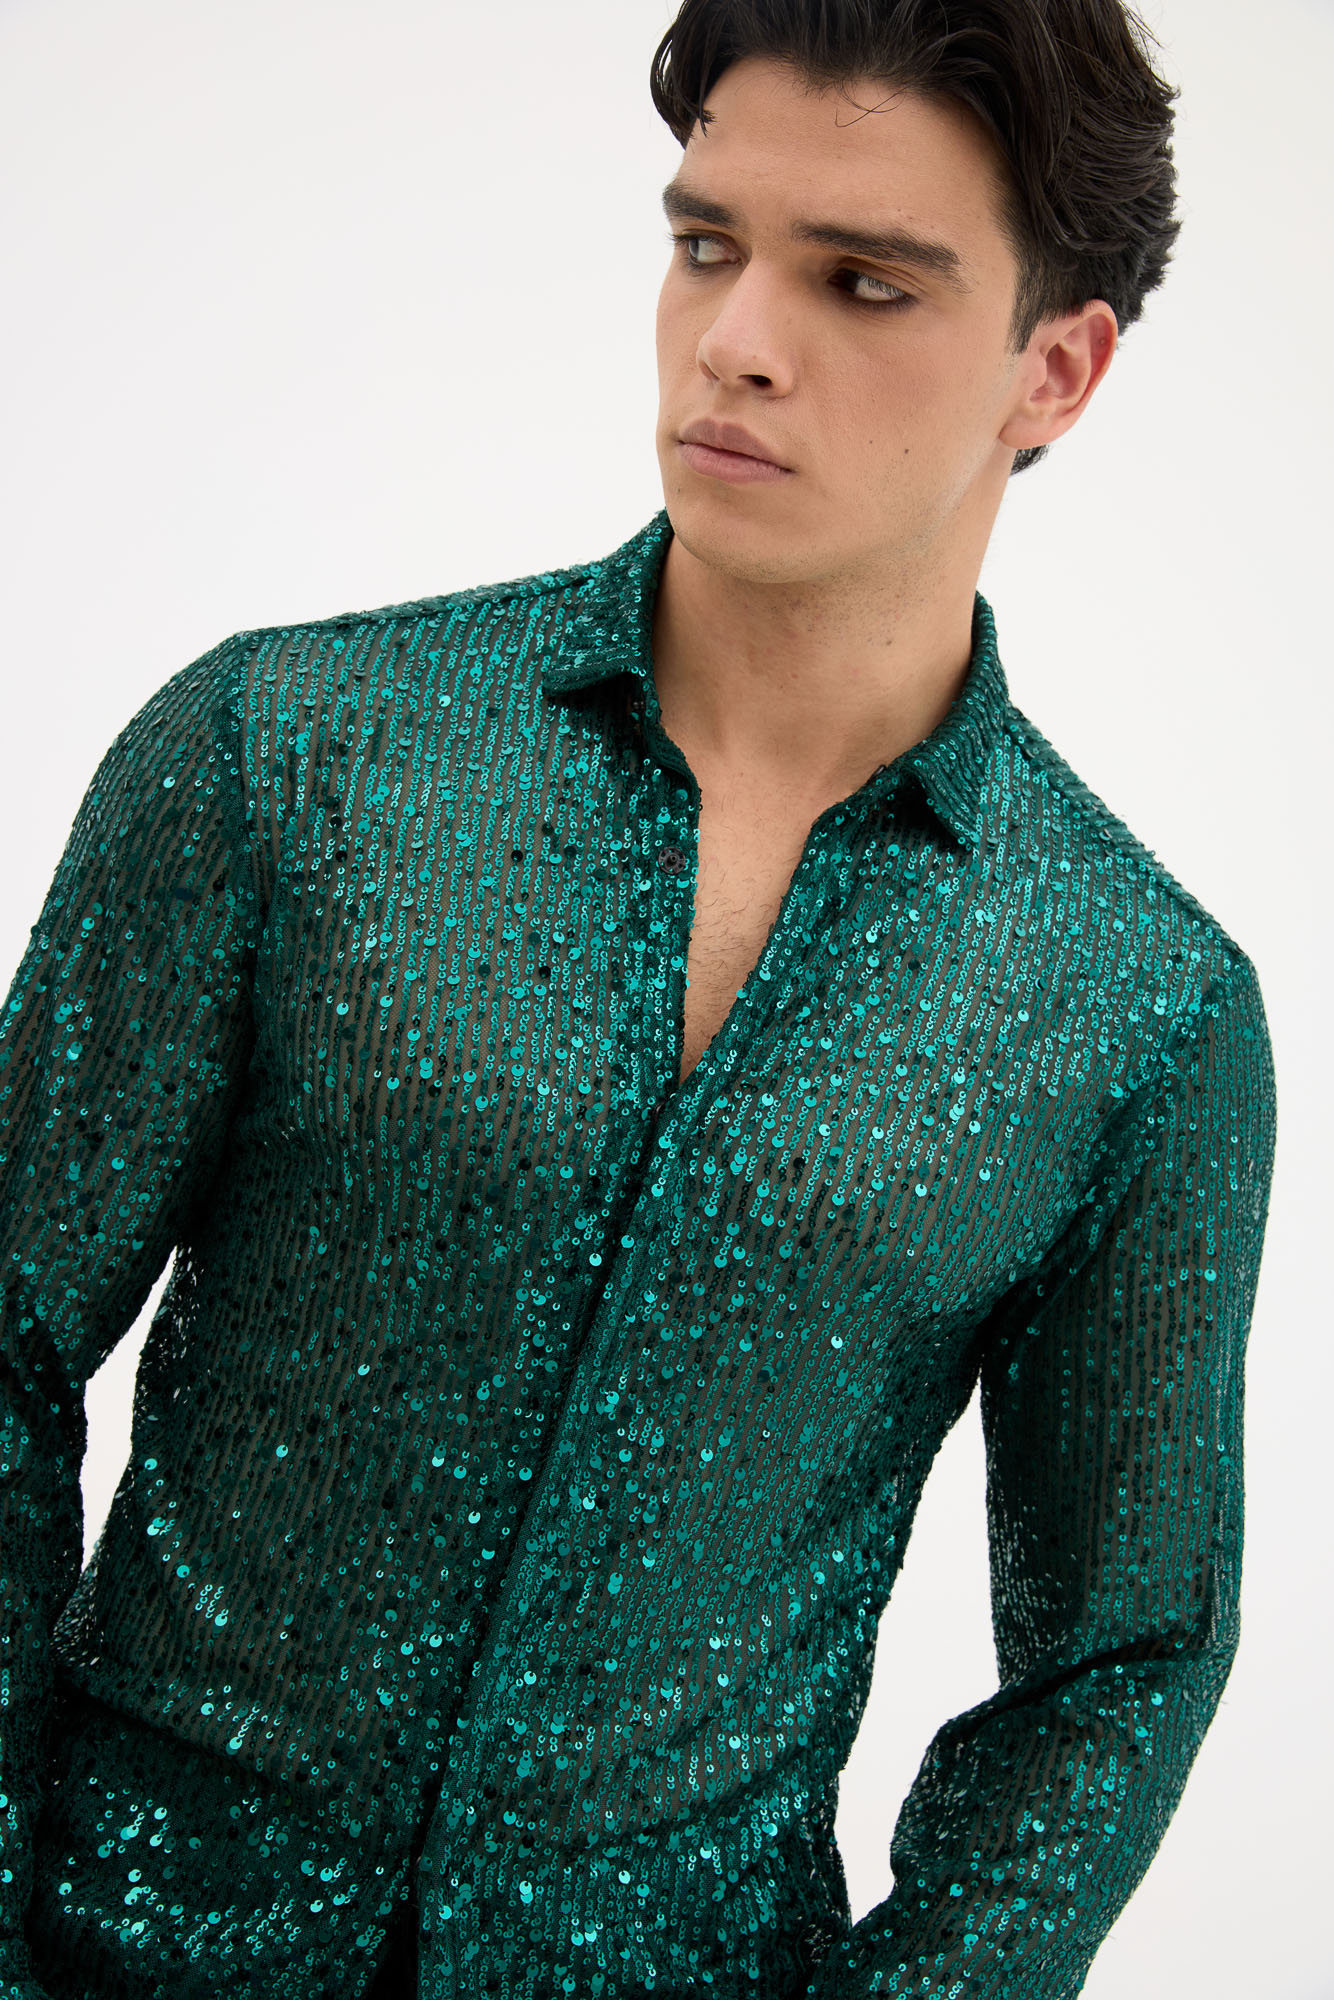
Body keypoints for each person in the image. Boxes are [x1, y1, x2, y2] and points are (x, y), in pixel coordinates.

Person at [0, 0, 1277, 1995]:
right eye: (705, 244)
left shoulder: (1136, 1006)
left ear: (1057, 369)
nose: (734, 339)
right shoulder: (286, 755)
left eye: (861, 283)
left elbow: (1119, 1660)